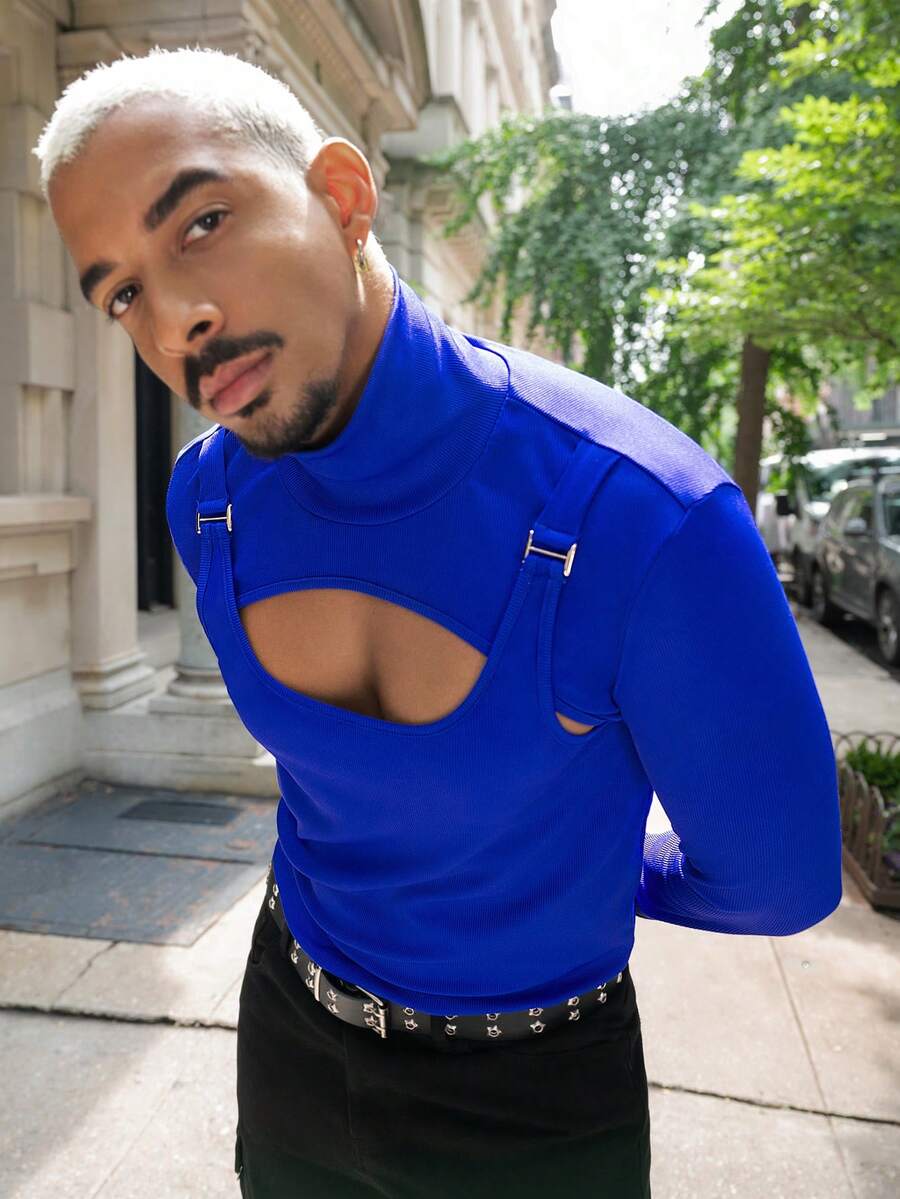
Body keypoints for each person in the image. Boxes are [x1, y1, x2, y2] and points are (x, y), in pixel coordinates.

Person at [35, 45, 843, 1199]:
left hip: (535, 1107)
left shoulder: (644, 515)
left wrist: (582, 873)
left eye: (203, 222)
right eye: (121, 292)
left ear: (342, 196)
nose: (176, 322)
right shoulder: (206, 501)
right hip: (292, 1039)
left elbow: (778, 876)